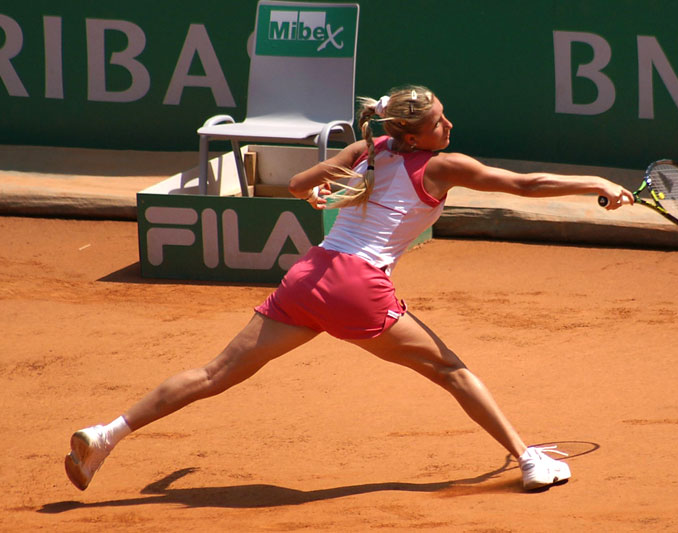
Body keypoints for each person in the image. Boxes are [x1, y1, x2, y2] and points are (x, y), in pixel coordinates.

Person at [65, 85, 633, 492]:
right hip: (358, 285)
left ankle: (106, 433)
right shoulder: (441, 166)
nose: (449, 126)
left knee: (214, 374)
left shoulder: (369, 150)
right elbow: (525, 184)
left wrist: (324, 194)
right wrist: (598, 183)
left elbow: (297, 185)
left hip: (309, 274)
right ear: (416, 132)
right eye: (439, 121)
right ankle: (528, 458)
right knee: (451, 371)